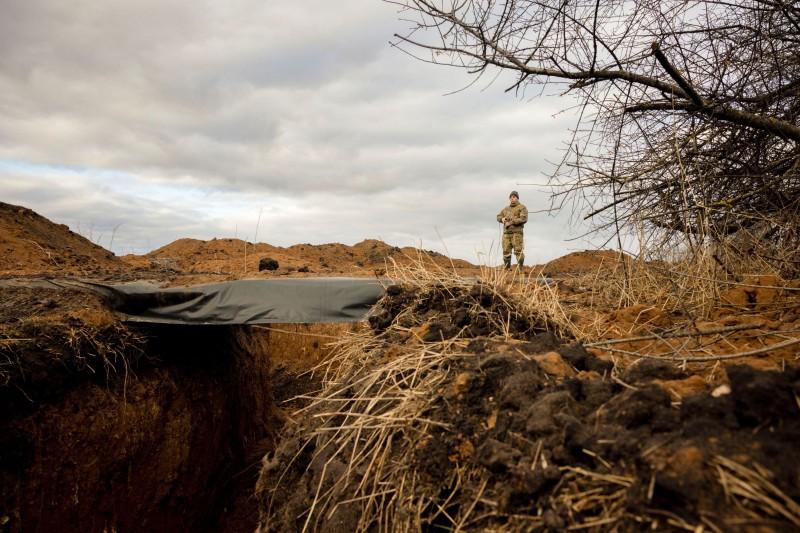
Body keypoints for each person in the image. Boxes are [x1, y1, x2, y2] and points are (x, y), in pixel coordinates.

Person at [496, 190, 528, 269]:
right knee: (506, 251)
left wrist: (512, 222)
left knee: (518, 251)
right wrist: (502, 219)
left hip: (517, 233)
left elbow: (524, 219)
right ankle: (507, 269)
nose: (512, 199)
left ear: (517, 198)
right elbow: (498, 216)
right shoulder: (506, 209)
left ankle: (520, 268)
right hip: (506, 233)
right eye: (511, 197)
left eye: (514, 197)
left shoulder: (522, 208)